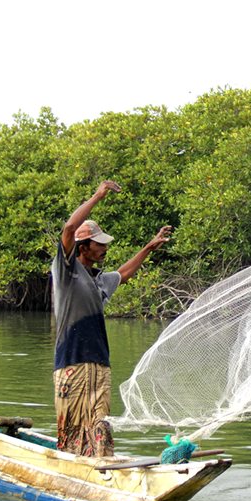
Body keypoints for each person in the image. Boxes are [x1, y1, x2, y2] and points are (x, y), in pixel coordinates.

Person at [51, 179, 171, 456]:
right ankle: (70, 466)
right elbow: (69, 229)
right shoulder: (66, 272)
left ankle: (102, 465)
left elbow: (124, 274)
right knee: (71, 427)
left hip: (100, 365)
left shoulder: (99, 280)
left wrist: (149, 247)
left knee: (100, 426)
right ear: (83, 248)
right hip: (72, 364)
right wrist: (97, 195)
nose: (104, 248)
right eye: (99, 244)